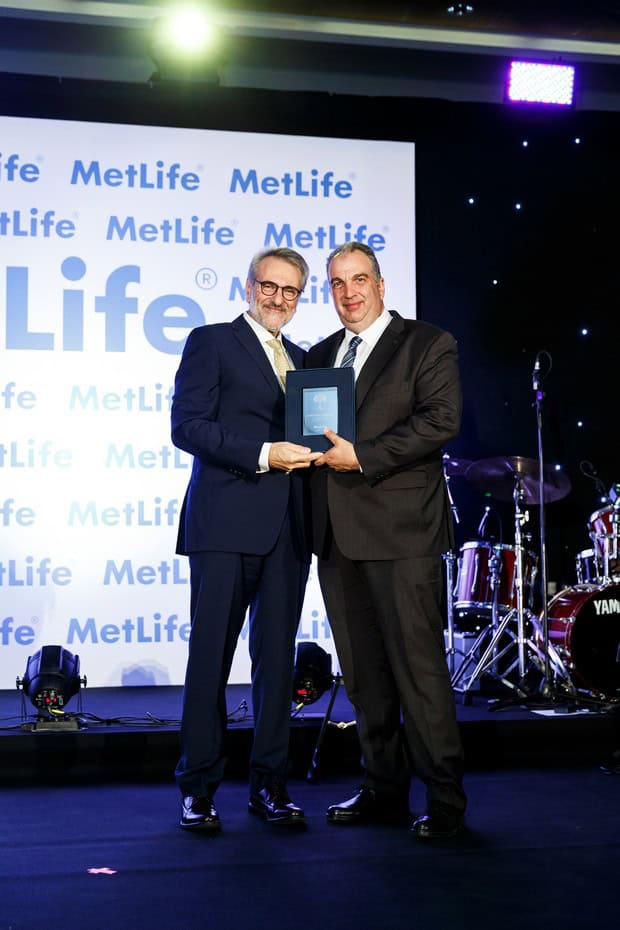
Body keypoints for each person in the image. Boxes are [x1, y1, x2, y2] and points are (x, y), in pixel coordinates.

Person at [306, 241, 467, 839]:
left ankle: (445, 800)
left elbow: (440, 421)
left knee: (419, 673)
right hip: (337, 536)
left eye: (359, 280)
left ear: (380, 285)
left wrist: (364, 456)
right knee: (364, 675)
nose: (348, 293)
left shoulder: (427, 343)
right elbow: (313, 437)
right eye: (337, 283)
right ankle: (383, 787)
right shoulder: (320, 355)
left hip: (403, 535)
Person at [171, 247, 318, 832]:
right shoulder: (211, 341)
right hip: (225, 523)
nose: (278, 298)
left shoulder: (305, 361)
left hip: (288, 530)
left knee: (277, 665)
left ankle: (270, 785)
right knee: (210, 660)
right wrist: (263, 453)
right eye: (269, 286)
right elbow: (187, 426)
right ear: (249, 286)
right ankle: (198, 788)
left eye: (290, 290)